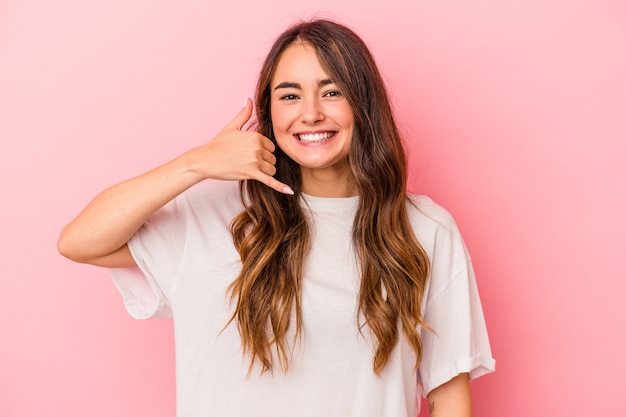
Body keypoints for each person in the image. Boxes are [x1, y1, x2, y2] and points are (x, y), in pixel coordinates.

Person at [58, 19, 495, 417]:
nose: (310, 113)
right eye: (290, 95)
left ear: (363, 104)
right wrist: (196, 164)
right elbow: (80, 241)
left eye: (332, 91)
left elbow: (448, 393)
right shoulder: (210, 214)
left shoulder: (423, 229)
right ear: (270, 113)